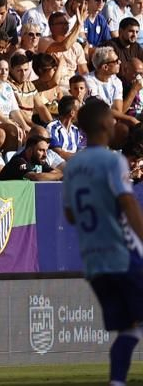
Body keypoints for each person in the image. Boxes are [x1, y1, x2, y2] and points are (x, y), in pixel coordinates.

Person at [64, 97, 143, 386]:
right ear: (103, 124)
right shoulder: (113, 160)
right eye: (112, 118)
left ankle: (117, 382)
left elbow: (70, 214)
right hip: (123, 254)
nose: (115, 123)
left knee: (129, 329)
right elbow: (128, 203)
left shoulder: (72, 166)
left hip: (95, 262)